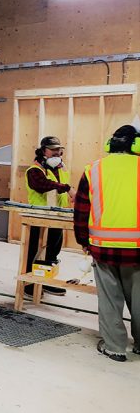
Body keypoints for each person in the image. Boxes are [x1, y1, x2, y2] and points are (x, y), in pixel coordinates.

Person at [74, 125, 140, 362]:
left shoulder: (93, 170)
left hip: (103, 247)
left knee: (110, 299)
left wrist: (83, 240)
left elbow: (82, 209)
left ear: (110, 144)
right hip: (138, 250)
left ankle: (114, 347)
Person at [24, 136, 75, 297]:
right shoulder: (34, 170)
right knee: (33, 250)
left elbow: (58, 187)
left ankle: (46, 282)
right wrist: (67, 188)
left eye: (58, 149)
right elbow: (42, 185)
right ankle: (29, 284)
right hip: (38, 216)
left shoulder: (59, 168)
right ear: (43, 151)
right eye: (52, 149)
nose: (57, 152)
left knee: (53, 251)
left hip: (57, 215)